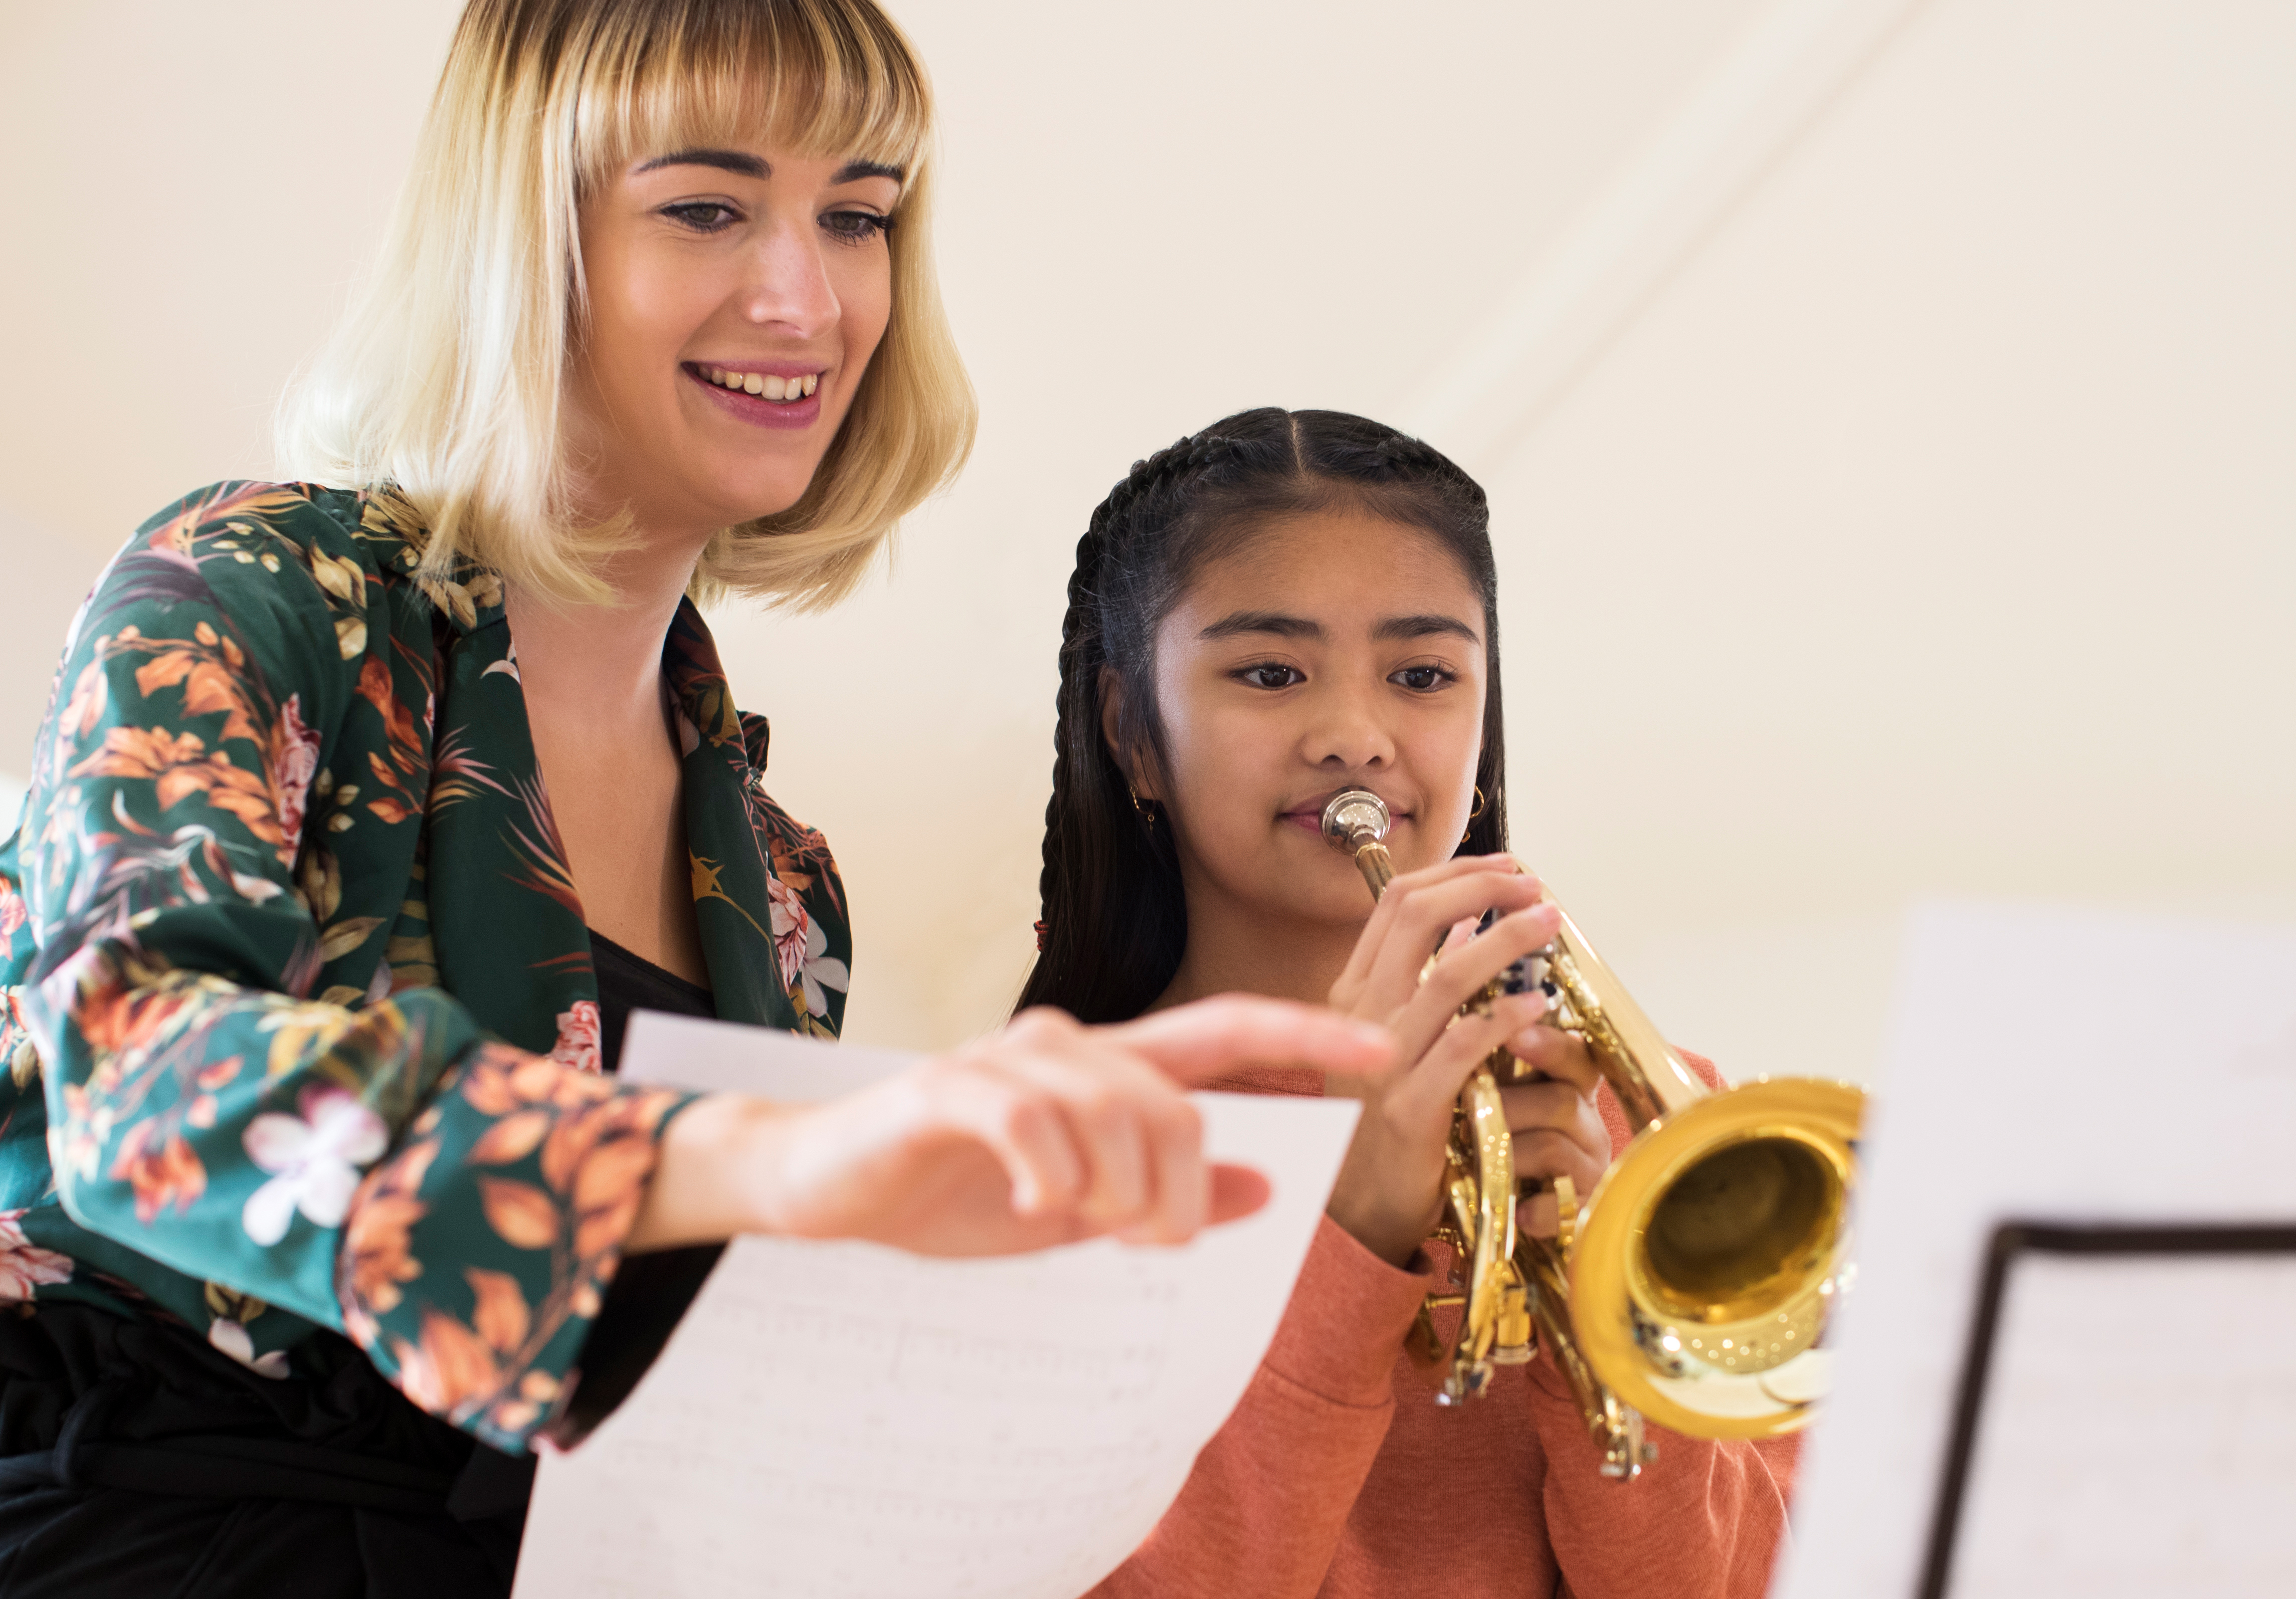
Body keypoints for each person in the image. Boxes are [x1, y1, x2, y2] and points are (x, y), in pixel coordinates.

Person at [0, 9, 1391, 1594]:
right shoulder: (256, 587)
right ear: (525, 243)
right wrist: (768, 1158)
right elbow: (130, 1070)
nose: (807, 298)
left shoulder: (788, 892)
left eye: (857, 216)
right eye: (707, 207)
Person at [1021, 408, 1797, 1599]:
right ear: (1132, 732)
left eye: (1423, 675)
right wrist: (1348, 1237)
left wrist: (1610, 1319)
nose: (1354, 738)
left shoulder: (1660, 1116)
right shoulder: (1037, 1149)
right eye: (1269, 672)